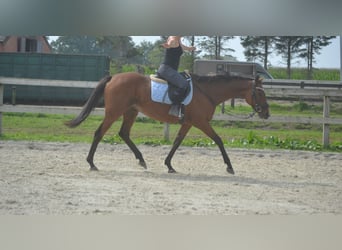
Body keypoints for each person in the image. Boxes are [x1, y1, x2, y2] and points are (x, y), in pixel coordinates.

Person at [157, 36, 196, 117]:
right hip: (166, 69)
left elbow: (183, 47)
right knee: (183, 84)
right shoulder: (173, 40)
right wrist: (167, 45)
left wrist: (190, 48)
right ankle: (174, 107)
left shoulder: (178, 40)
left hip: (171, 70)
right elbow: (170, 44)